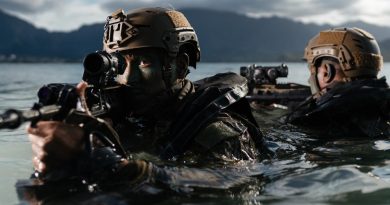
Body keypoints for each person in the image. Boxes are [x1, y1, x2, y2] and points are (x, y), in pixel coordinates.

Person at [25, 7, 266, 199]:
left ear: (179, 66)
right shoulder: (118, 114)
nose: (128, 78)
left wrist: (136, 173)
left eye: (144, 63)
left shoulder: (216, 131)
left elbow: (239, 183)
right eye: (120, 64)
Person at [284, 27, 390, 138]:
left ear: (327, 71)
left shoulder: (319, 120)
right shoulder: (383, 102)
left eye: (311, 70)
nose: (309, 79)